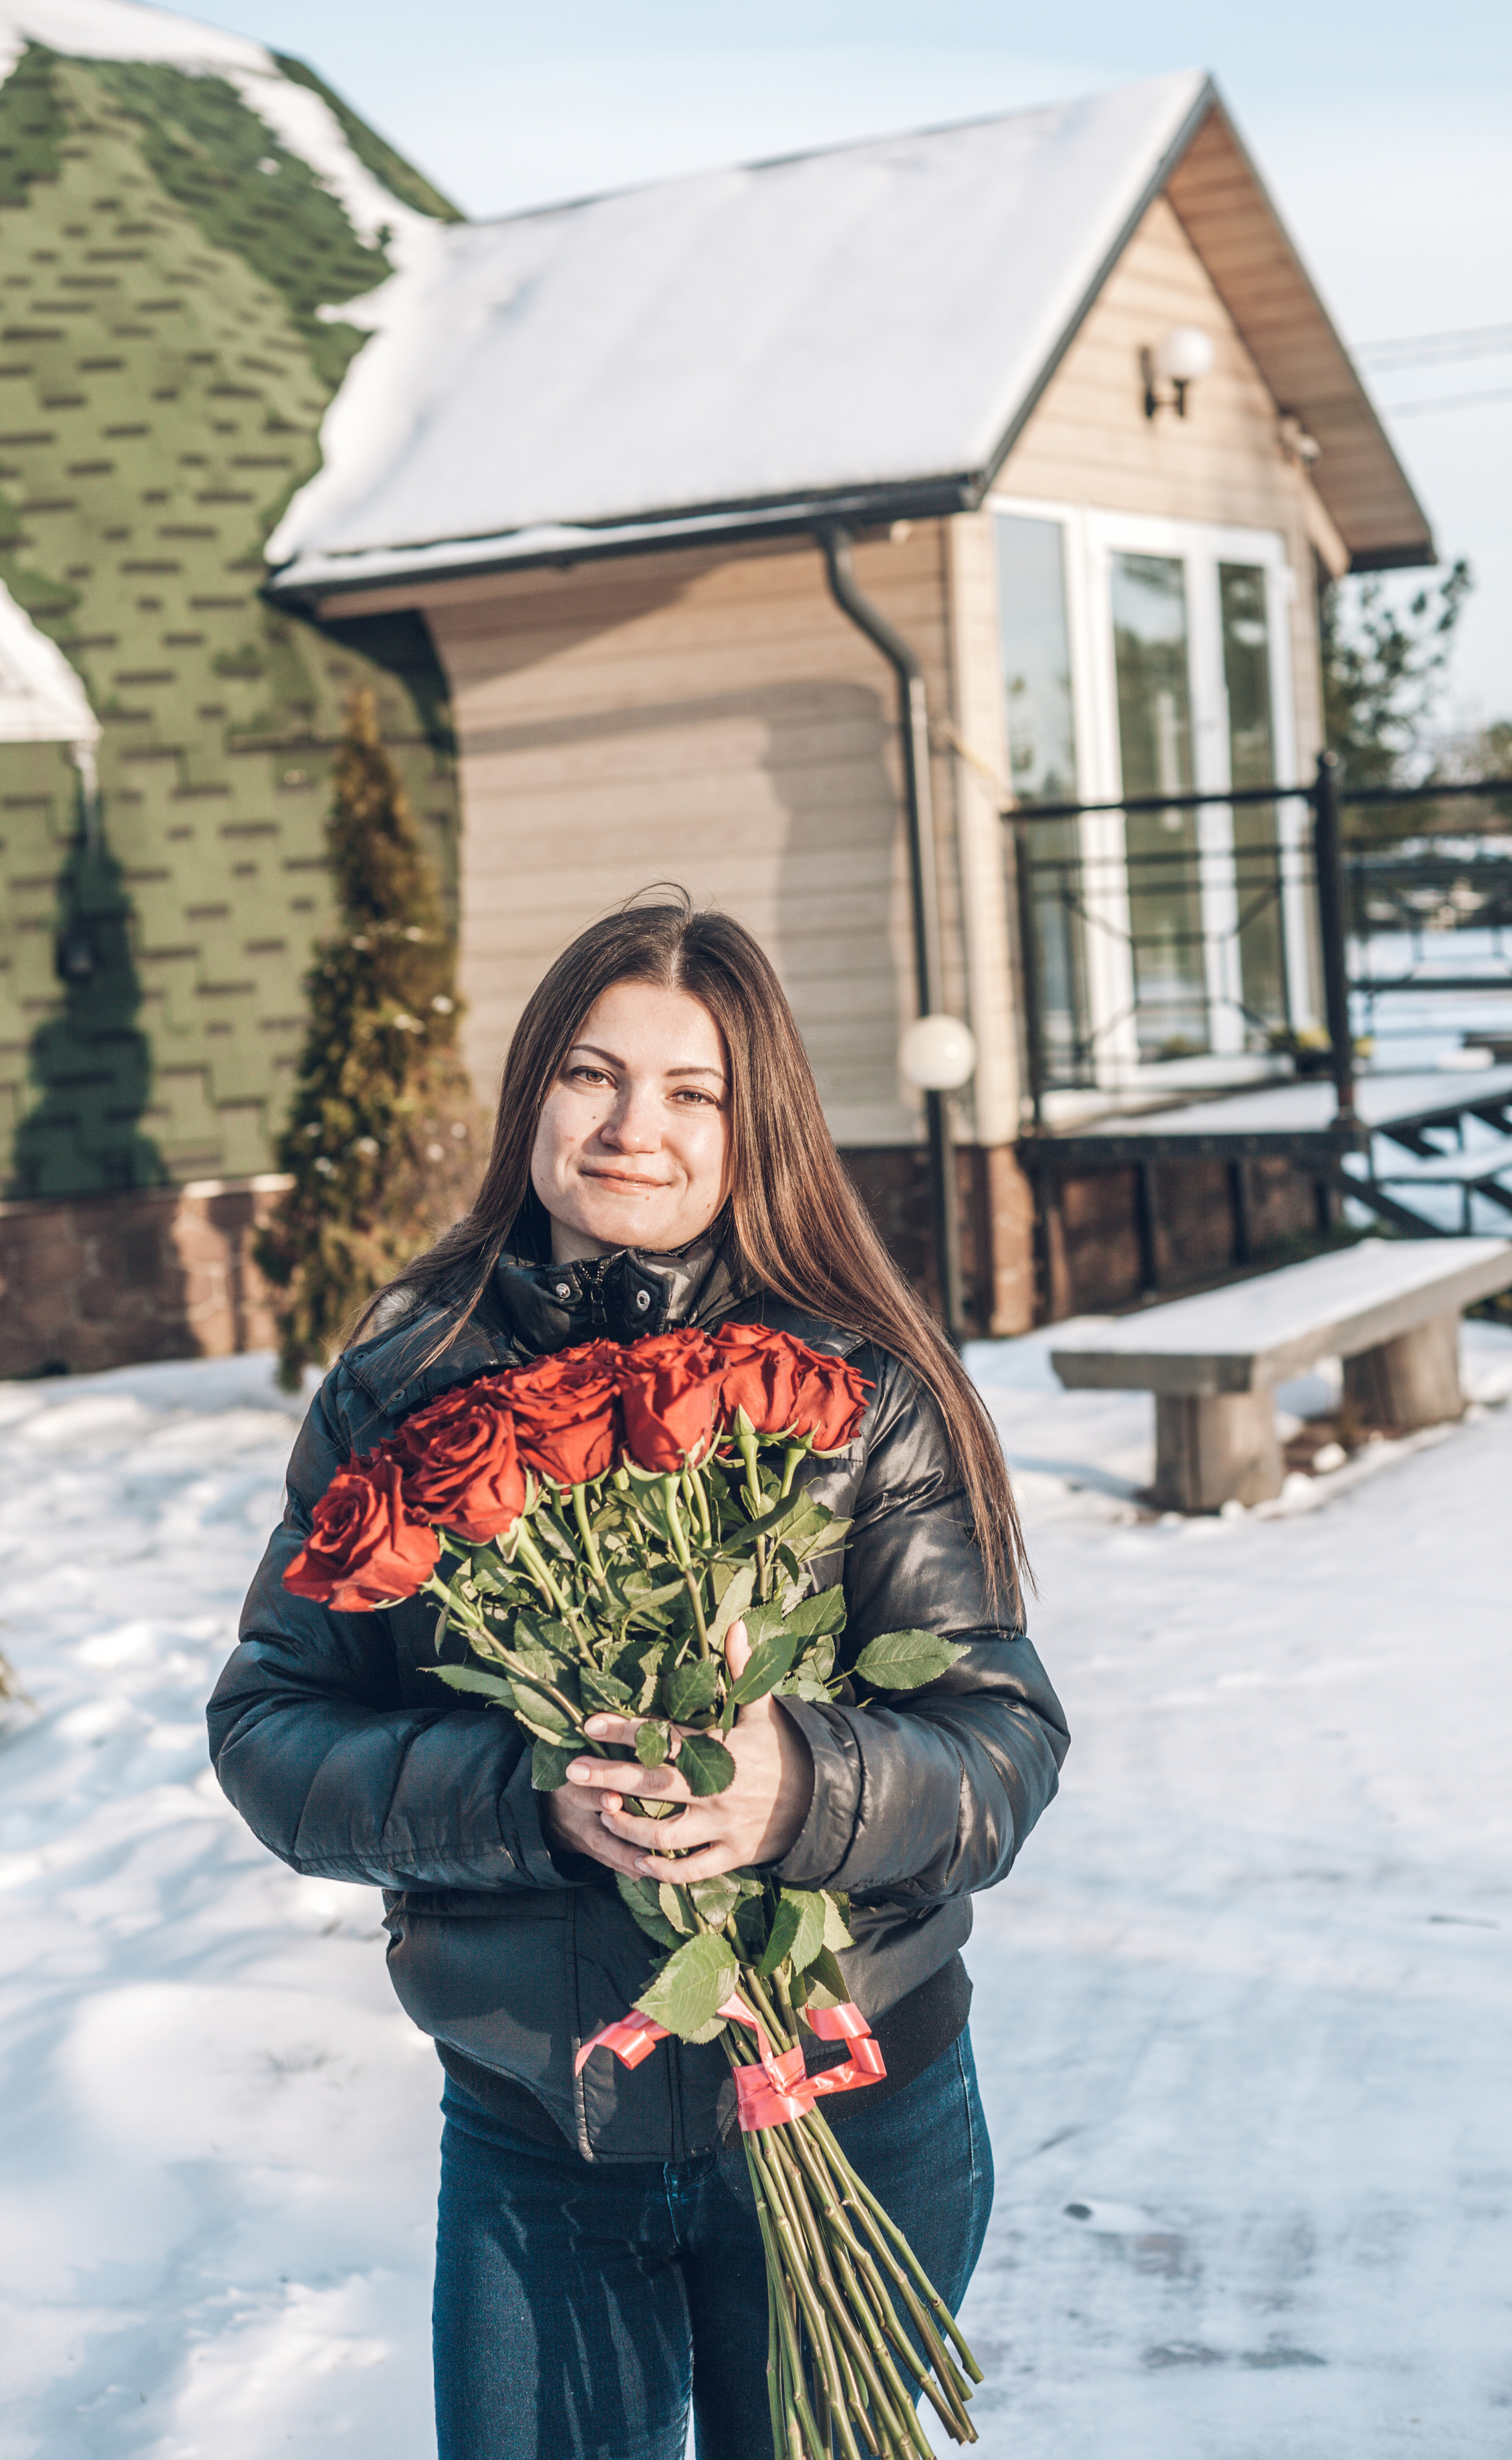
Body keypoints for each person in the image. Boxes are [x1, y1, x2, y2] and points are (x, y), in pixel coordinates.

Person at [208, 897, 1068, 2460]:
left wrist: (800, 1788)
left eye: (693, 1093)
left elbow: (998, 1743)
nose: (632, 1130)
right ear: (531, 1087)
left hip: (852, 2106)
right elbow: (271, 1733)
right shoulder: (405, 1383)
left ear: (758, 1131)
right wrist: (533, 1801)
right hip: (545, 2131)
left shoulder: (858, 1381)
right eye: (590, 1077)